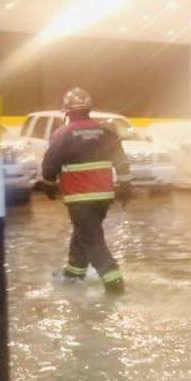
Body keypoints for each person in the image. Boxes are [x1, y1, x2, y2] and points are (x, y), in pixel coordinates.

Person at [40, 88, 132, 294]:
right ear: (89, 110)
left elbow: (49, 164)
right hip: (104, 197)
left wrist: (49, 184)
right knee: (84, 233)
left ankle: (115, 284)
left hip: (79, 198)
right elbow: (122, 162)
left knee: (92, 240)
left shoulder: (62, 134)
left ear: (67, 112)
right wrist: (126, 186)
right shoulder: (107, 132)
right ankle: (74, 275)